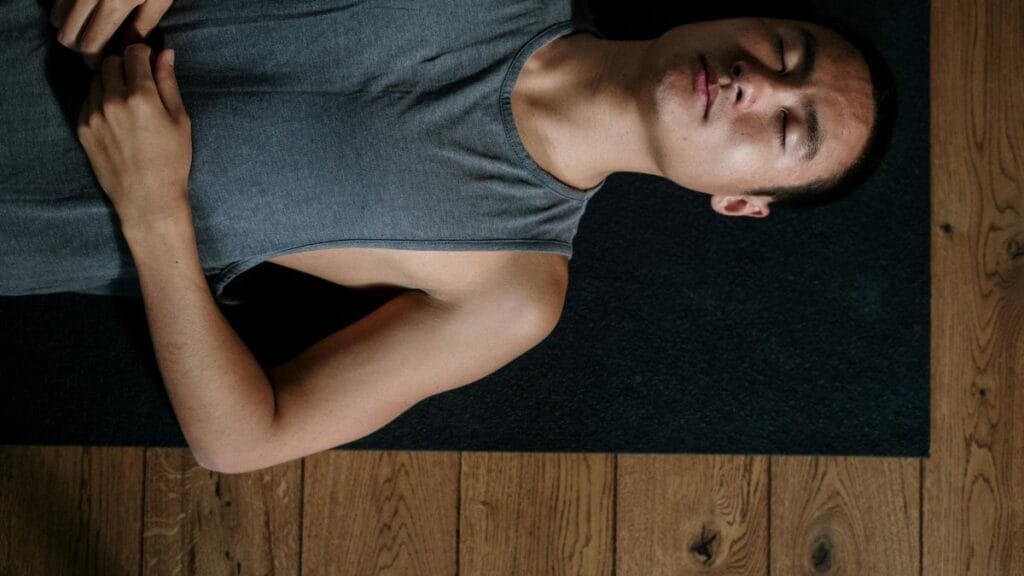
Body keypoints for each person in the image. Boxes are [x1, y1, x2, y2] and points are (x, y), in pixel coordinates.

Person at [4, 0, 892, 473]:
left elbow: (244, 441)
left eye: (786, 128)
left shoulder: (513, 290)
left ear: (742, 201)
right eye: (784, 50)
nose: (755, 85)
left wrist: (155, 213)